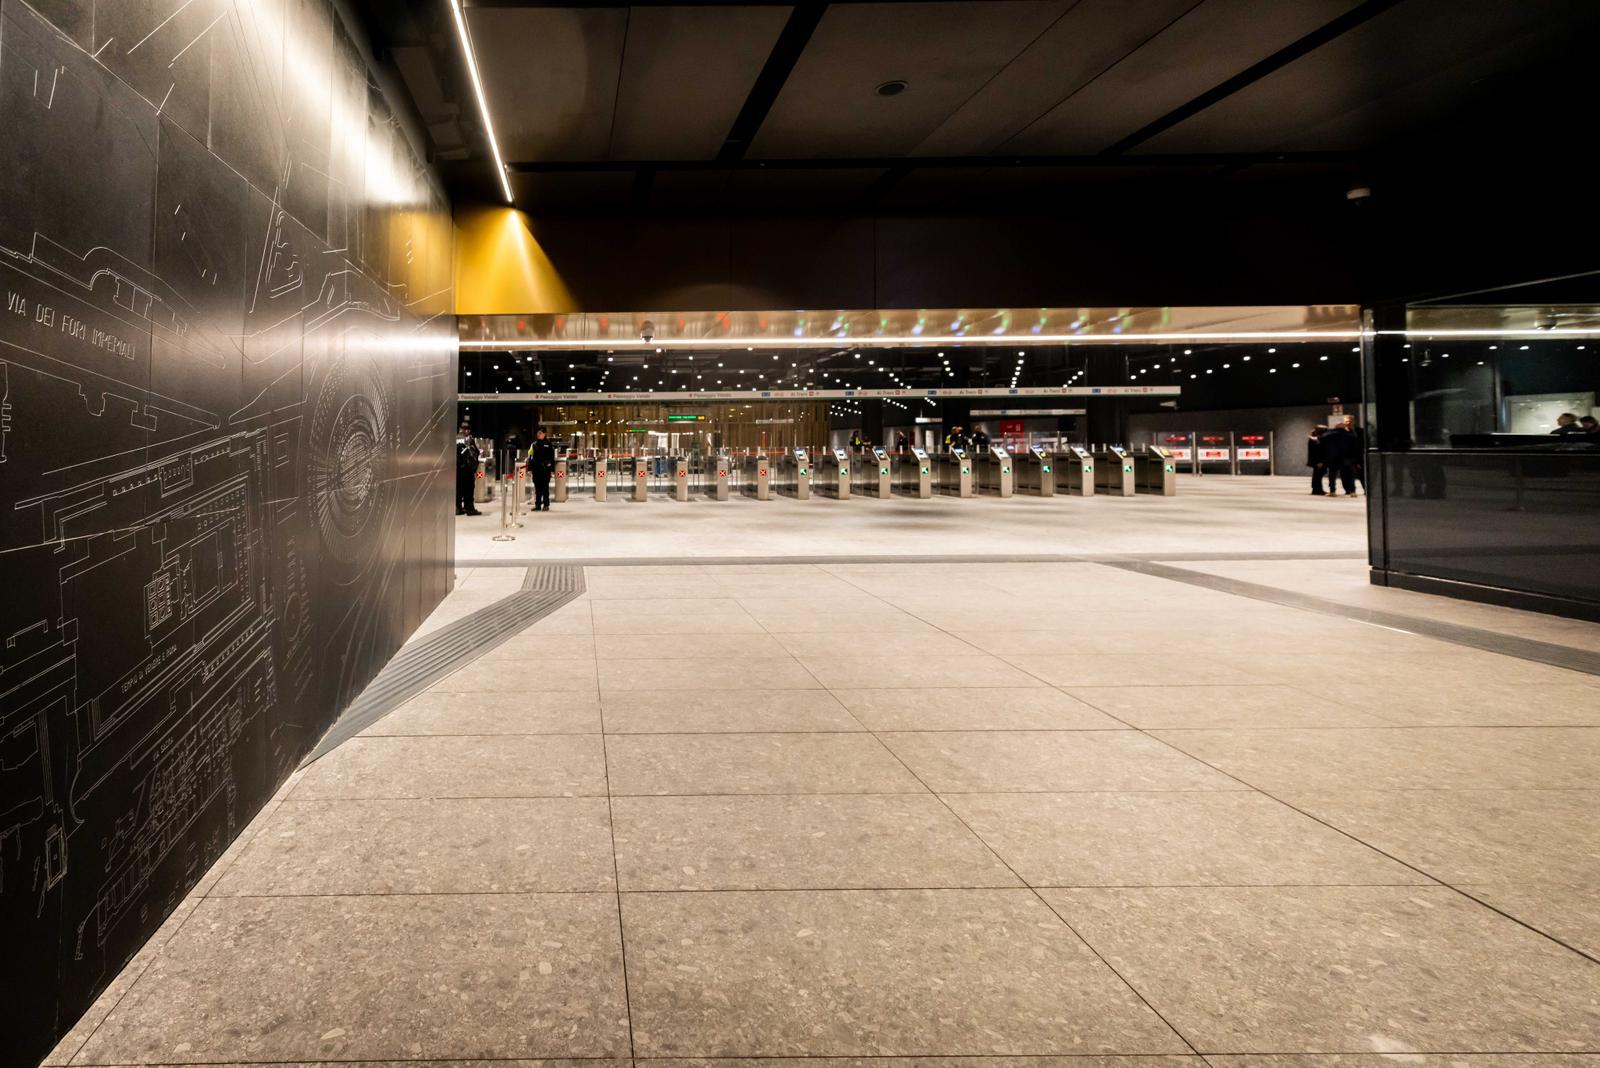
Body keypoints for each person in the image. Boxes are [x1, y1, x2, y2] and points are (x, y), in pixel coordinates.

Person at [1319, 419, 1357, 496]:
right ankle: (1352, 491)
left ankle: (1332, 491)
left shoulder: (1328, 435)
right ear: (1344, 427)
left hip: (1332, 458)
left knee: (1332, 475)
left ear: (1335, 427)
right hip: (1346, 458)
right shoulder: (1350, 435)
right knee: (1349, 475)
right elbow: (1355, 447)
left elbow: (1322, 445)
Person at [525, 427, 557, 511]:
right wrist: (529, 469)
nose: (539, 434)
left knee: (545, 488)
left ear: (544, 434)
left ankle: (546, 505)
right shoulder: (533, 445)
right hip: (536, 469)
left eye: (540, 433)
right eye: (538, 433)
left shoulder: (549, 444)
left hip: (546, 469)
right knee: (537, 488)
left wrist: (552, 470)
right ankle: (538, 505)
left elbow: (551, 458)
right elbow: (531, 457)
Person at [455, 424, 482, 516]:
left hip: (458, 469)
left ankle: (458, 508)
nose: (467, 431)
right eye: (466, 429)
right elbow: (475, 452)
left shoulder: (455, 438)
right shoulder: (469, 440)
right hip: (467, 469)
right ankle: (469, 508)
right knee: (469, 489)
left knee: (458, 489)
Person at [1341, 414, 1366, 493]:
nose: (1348, 423)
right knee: (1346, 474)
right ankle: (1349, 490)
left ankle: (1366, 489)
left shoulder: (1360, 431)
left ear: (1354, 421)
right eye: (1346, 421)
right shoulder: (1341, 432)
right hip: (1346, 456)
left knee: (1361, 474)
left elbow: (1362, 444)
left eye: (1350, 421)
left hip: (1358, 456)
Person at [1307, 425, 1328, 495]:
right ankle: (1317, 490)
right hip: (1318, 461)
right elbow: (1318, 452)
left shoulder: (1315, 438)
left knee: (1317, 475)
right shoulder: (1317, 440)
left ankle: (1318, 489)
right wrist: (1319, 461)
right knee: (1318, 475)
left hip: (1317, 460)